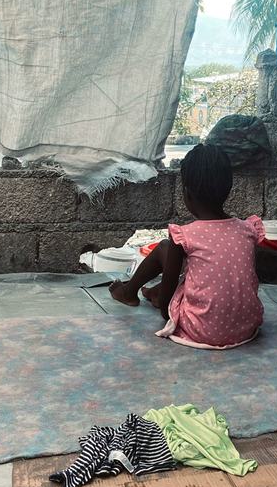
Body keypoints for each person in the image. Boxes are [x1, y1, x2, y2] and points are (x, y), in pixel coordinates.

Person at [109, 145, 265, 349]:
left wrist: (167, 302)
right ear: (228, 189)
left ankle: (129, 292)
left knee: (164, 248)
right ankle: (151, 292)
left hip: (200, 330)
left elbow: (166, 311)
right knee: (198, 272)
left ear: (186, 193)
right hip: (245, 327)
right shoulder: (248, 229)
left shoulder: (184, 235)